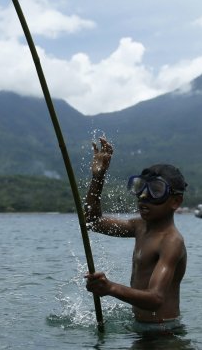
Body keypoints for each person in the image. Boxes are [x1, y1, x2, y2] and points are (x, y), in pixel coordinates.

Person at [83, 137, 188, 327]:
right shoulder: (139, 227)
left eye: (156, 190)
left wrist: (110, 287)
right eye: (139, 187)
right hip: (141, 329)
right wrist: (98, 177)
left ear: (175, 202)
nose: (144, 197)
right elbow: (92, 221)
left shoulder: (171, 242)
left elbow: (156, 298)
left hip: (164, 334)